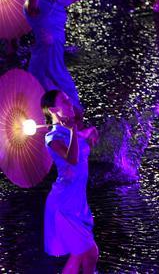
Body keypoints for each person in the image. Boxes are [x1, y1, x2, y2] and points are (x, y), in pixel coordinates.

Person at [24, 0, 114, 116]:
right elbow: (31, 8)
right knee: (62, 108)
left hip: (56, 61)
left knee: (72, 107)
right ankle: (63, 137)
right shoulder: (33, 3)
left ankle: (77, 137)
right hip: (44, 64)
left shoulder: (57, 1)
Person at [41, 89, 100, 273]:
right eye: (64, 102)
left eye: (68, 99)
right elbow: (72, 159)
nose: (70, 104)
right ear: (53, 110)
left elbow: (82, 139)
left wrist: (90, 131)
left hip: (77, 201)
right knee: (90, 253)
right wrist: (73, 129)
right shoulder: (53, 138)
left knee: (79, 255)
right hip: (63, 204)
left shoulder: (70, 132)